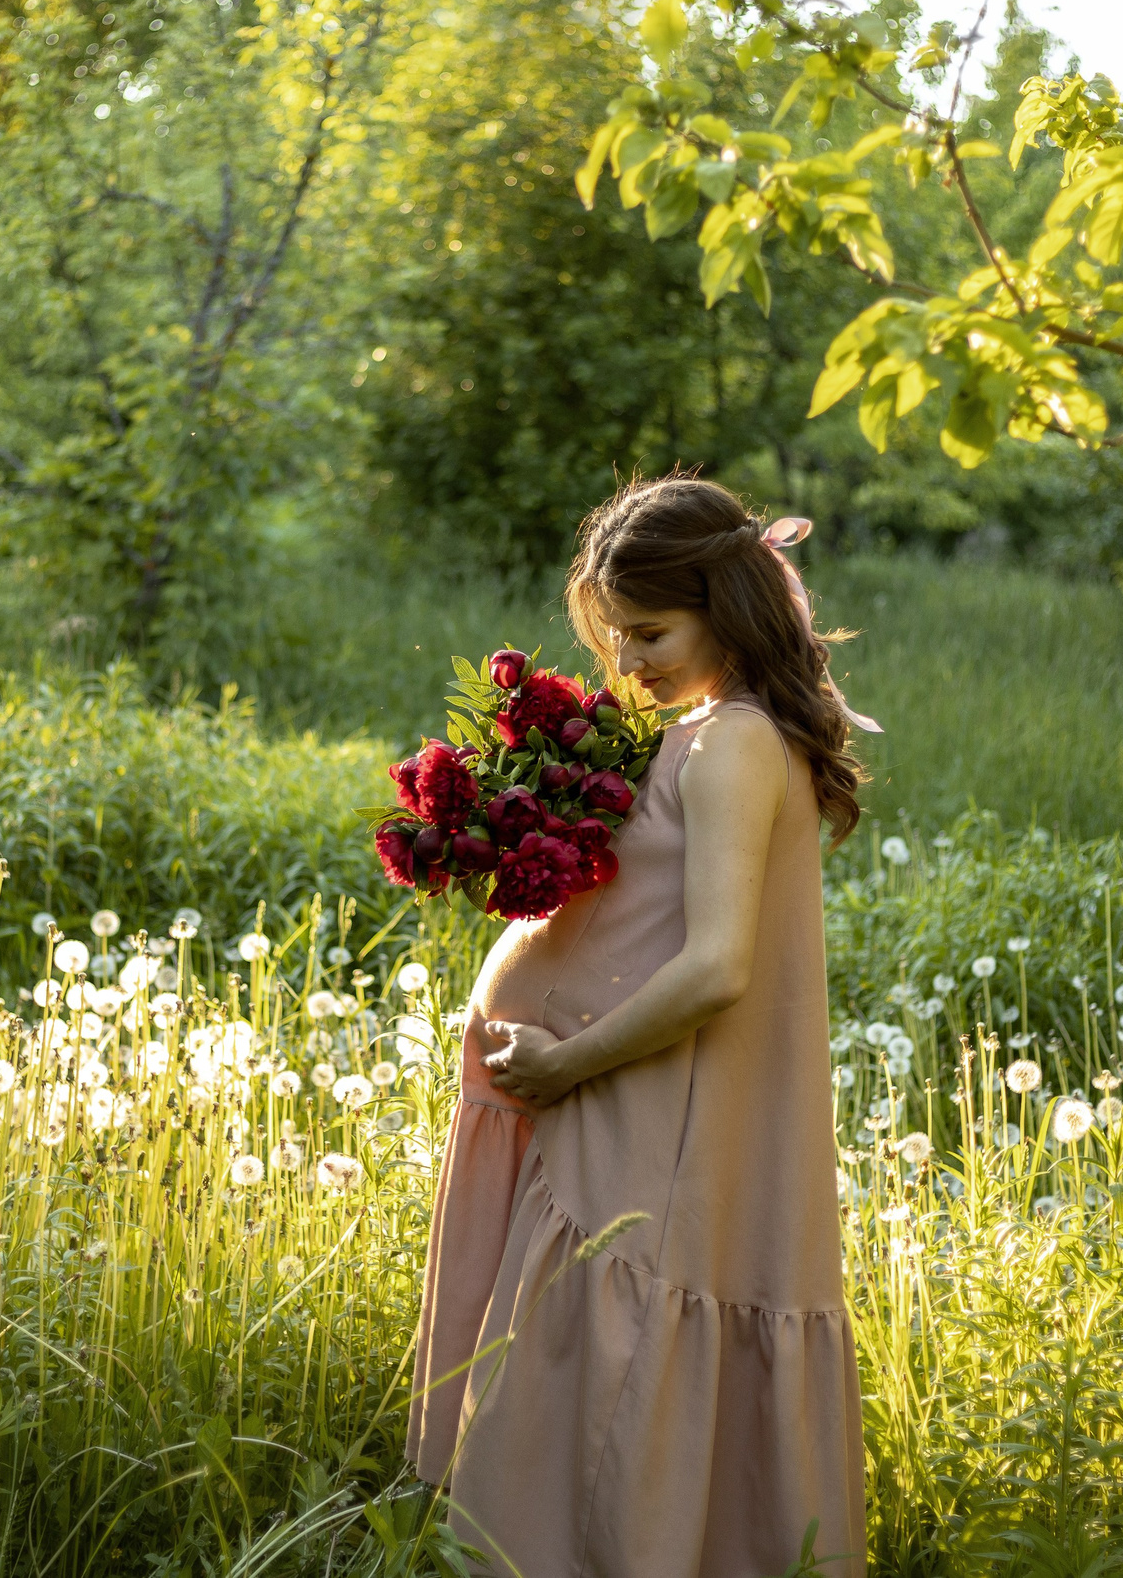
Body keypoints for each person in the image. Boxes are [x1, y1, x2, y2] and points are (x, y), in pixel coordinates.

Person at [405, 474, 873, 1577]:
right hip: (628, 1115)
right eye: (616, 637)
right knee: (584, 1376)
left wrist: (563, 1063)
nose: (629, 663)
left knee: (605, 1376)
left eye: (651, 632)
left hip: (655, 1124)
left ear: (727, 604)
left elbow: (715, 966)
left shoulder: (736, 743)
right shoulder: (711, 732)